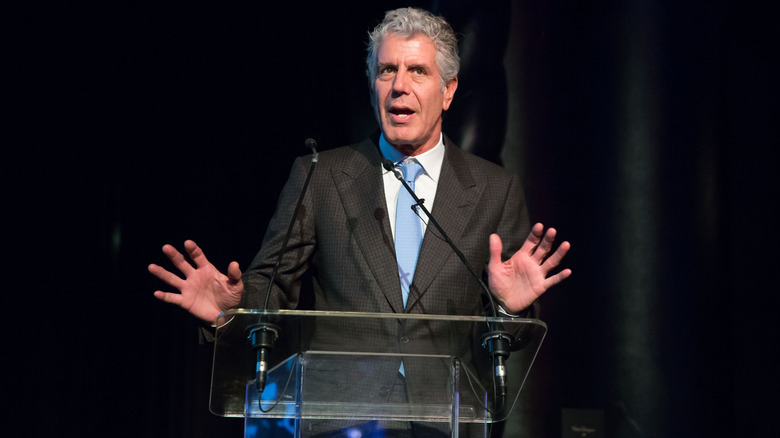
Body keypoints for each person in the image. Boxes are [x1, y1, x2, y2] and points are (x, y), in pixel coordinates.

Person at [149, 6, 570, 436]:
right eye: (387, 70)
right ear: (372, 88)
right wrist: (232, 309)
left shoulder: (494, 189)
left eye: (418, 71)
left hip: (446, 418)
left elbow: (508, 333)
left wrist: (507, 308)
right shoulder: (321, 175)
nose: (399, 87)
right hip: (341, 418)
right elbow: (273, 285)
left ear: (448, 90)